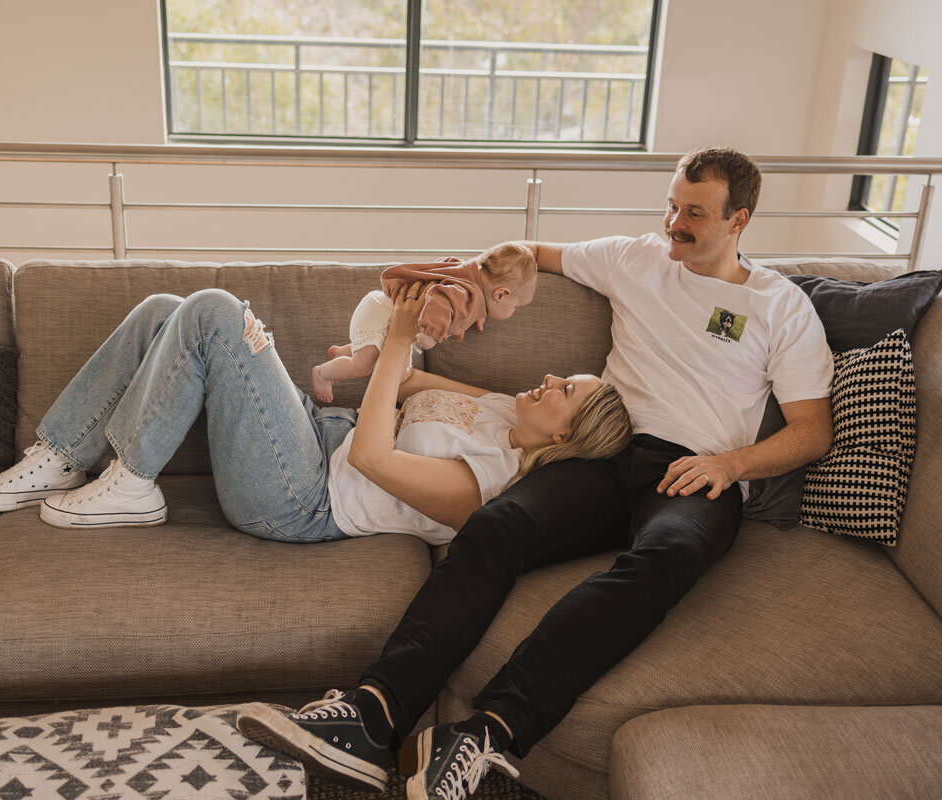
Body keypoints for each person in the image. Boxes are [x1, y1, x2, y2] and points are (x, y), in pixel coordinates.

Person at [234, 146, 837, 799]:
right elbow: (523, 251)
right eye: (671, 205)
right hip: (606, 449)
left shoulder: (781, 306)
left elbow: (813, 431)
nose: (673, 222)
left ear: (738, 220)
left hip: (697, 469)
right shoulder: (632, 258)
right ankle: (373, 713)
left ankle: (484, 735)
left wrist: (731, 464)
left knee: (666, 555)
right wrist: (457, 289)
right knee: (499, 526)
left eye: (694, 213)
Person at [0, 282, 630, 544]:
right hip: (312, 429)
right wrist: (358, 359)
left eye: (564, 389)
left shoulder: (486, 486)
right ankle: (60, 455)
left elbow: (371, 459)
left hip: (300, 497)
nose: (547, 380)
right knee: (166, 309)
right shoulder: (502, 410)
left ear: (567, 434)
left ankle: (134, 480)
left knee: (217, 312)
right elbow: (409, 379)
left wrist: (397, 338)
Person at [311, 242, 538, 403]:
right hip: (383, 314)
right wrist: (431, 333)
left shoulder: (464, 274)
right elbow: (439, 299)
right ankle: (323, 373)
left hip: (380, 310)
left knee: (382, 360)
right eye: (515, 306)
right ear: (500, 295)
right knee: (363, 367)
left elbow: (441, 275)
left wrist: (462, 320)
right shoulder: (467, 294)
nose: (513, 311)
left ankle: (347, 350)